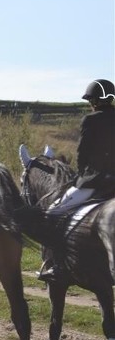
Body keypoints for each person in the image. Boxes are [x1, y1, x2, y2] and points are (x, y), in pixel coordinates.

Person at [37, 78, 115, 282]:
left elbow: (82, 155)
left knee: (53, 213)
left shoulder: (90, 120)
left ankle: (56, 265)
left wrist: (79, 177)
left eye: (91, 100)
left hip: (95, 182)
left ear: (95, 101)